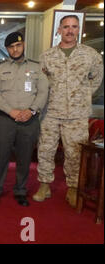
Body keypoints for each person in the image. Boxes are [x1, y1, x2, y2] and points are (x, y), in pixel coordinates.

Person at [33, 15, 103, 207]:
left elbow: (96, 80)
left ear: (78, 29)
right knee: (46, 150)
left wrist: (82, 95)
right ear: (59, 30)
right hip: (51, 111)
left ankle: (73, 188)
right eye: (66, 27)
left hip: (77, 114)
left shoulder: (91, 55)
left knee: (74, 152)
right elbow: (41, 83)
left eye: (74, 27)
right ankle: (44, 185)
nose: (70, 30)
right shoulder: (47, 56)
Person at [0, 32, 49, 206]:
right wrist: (10, 111)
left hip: (29, 120)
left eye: (18, 46)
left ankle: (21, 190)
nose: (15, 49)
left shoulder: (37, 68)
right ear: (7, 49)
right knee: (0, 156)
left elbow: (43, 92)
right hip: (5, 119)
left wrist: (32, 110)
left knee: (25, 157)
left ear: (23, 46)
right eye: (11, 47)